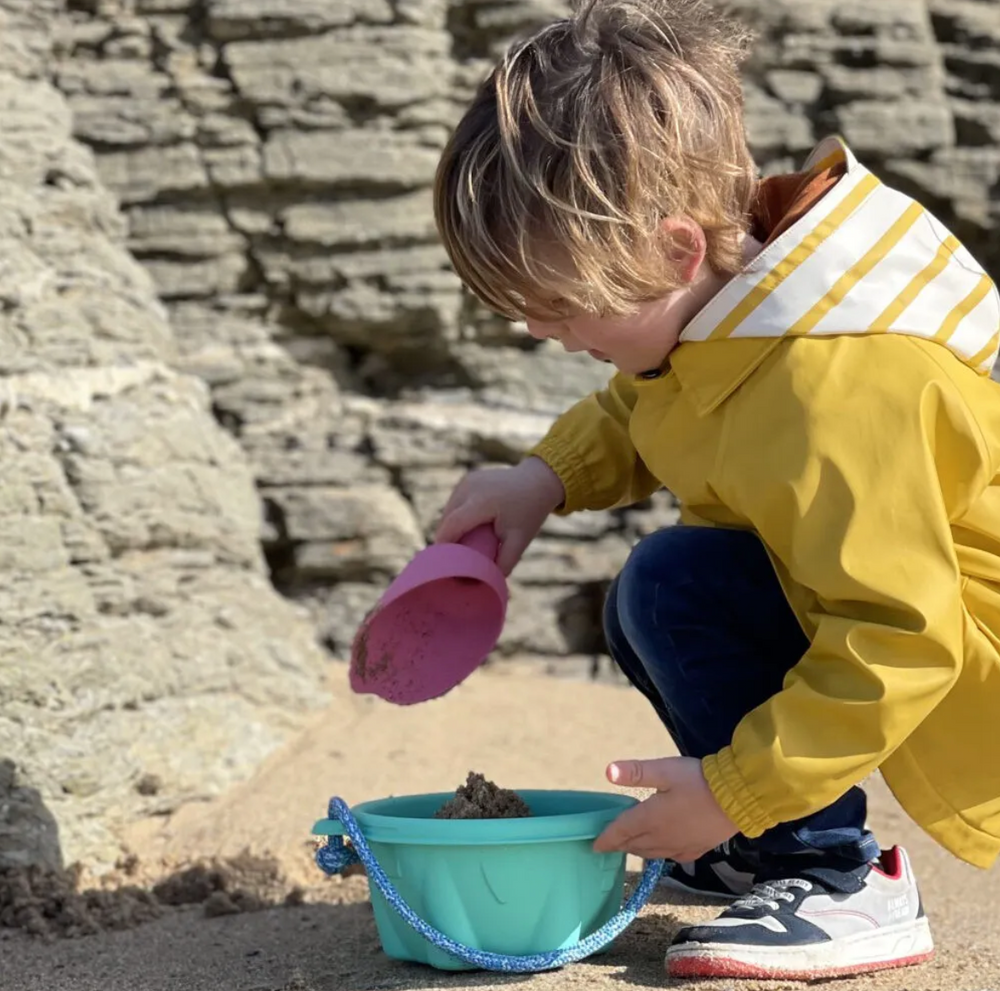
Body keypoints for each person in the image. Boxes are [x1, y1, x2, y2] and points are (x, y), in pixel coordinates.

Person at [431, 0, 1000, 980]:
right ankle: (776, 846)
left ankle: (837, 878)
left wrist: (732, 789)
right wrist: (542, 477)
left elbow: (903, 638)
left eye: (561, 306)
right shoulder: (740, 314)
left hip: (959, 655)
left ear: (676, 251)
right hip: (889, 623)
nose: (539, 331)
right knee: (659, 592)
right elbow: (653, 404)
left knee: (675, 582)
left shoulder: (846, 382)